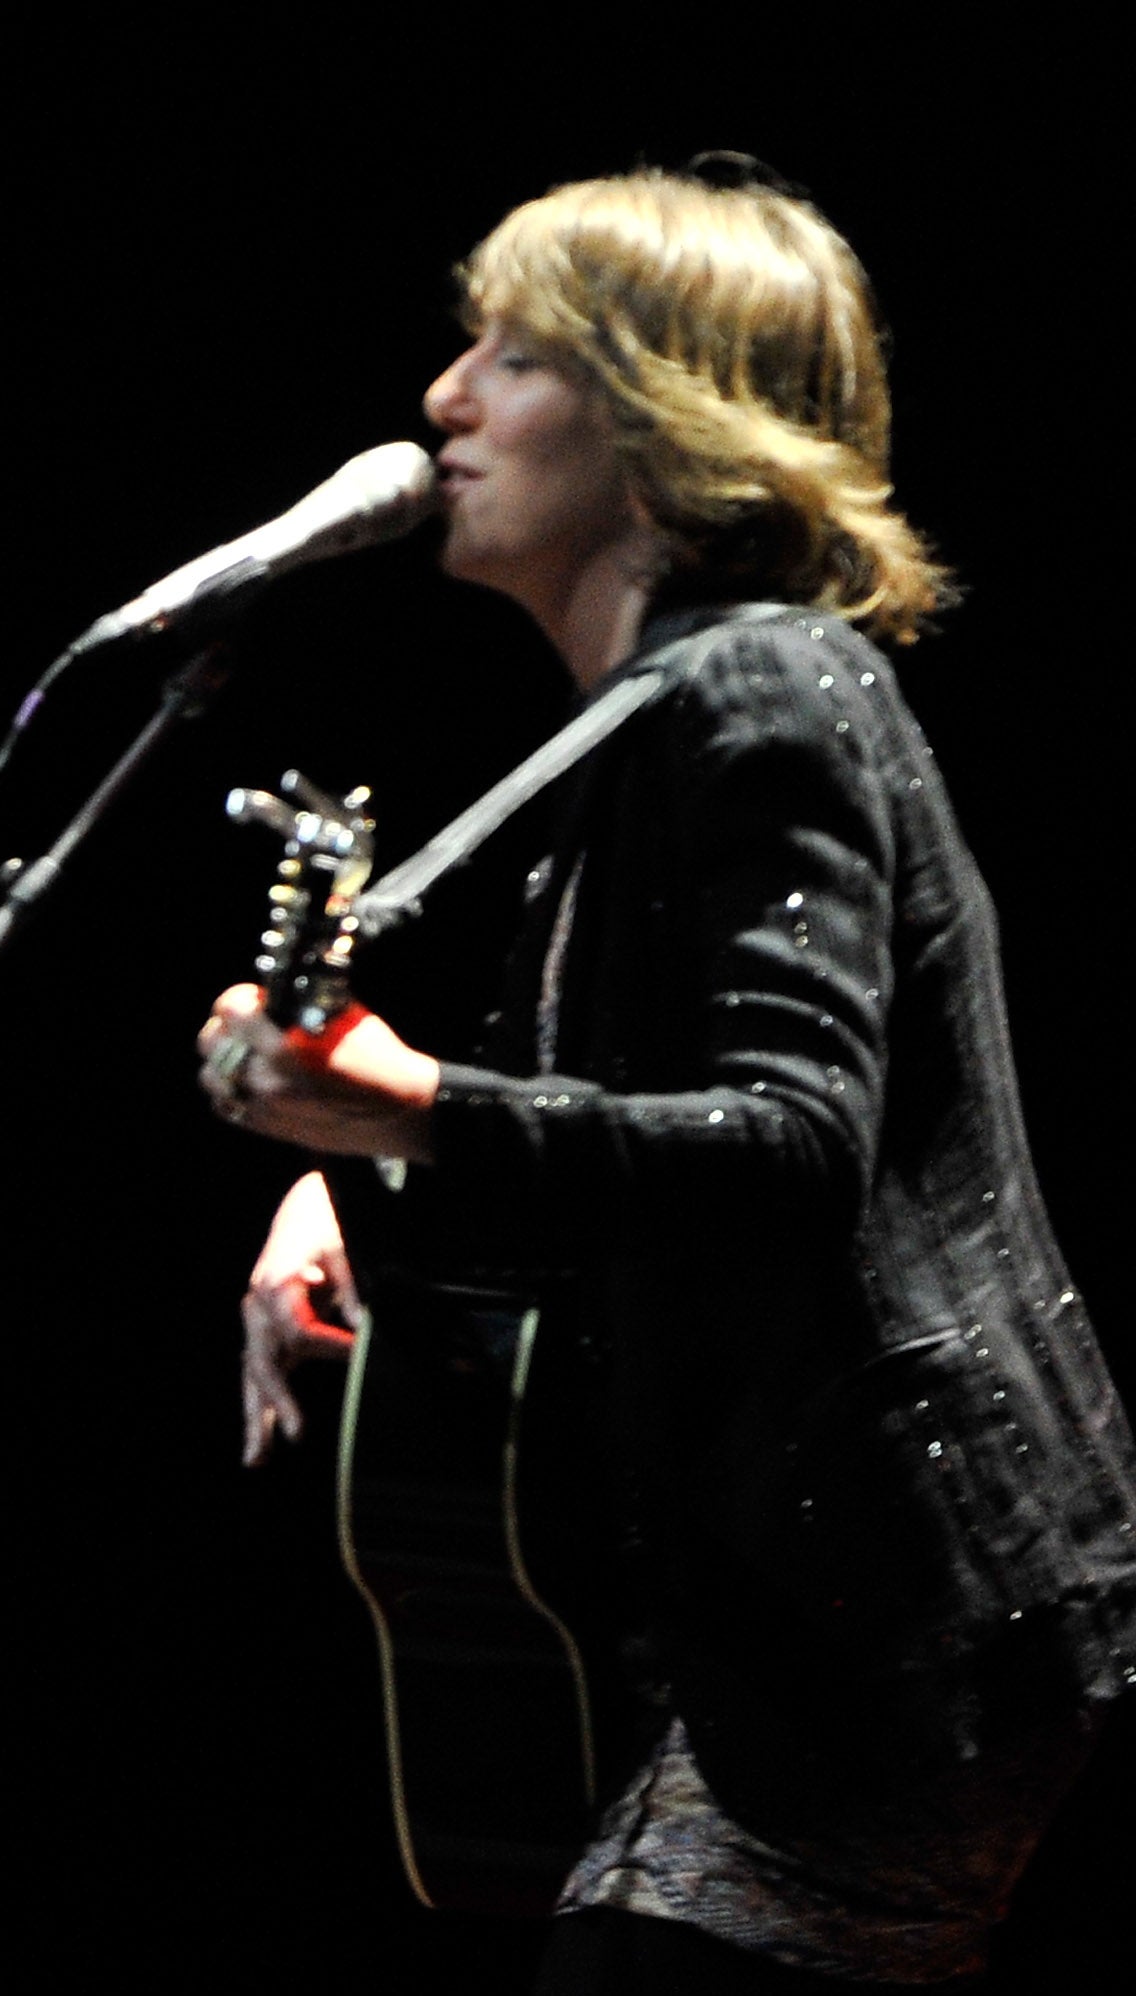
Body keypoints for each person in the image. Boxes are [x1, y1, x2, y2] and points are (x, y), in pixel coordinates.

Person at [194, 166, 1136, 1988]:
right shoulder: (655, 719)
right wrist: (365, 1178)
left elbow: (789, 1150)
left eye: (516, 356)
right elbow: (636, 1167)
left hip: (896, 1626)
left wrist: (414, 1112)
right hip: (805, 1622)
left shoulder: (762, 694)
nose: (446, 399)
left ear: (664, 421)